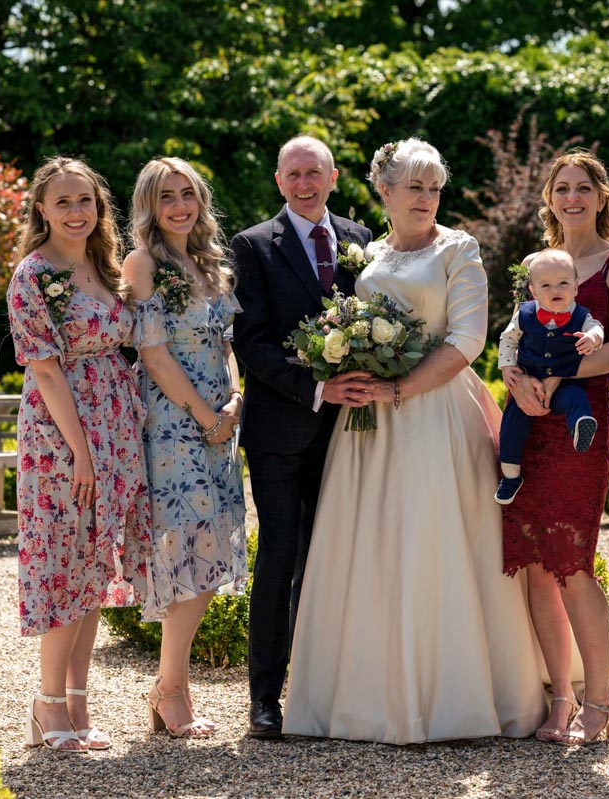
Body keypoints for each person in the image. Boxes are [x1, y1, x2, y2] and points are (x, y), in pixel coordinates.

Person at [282, 138, 547, 744]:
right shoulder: (368, 253)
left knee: (436, 541)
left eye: (434, 188)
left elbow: (468, 339)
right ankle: (361, 698)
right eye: (414, 187)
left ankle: (453, 696)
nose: (426, 198)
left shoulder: (460, 248)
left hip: (437, 414)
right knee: (368, 543)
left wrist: (399, 389)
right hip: (367, 427)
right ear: (385, 192)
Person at [501, 150, 609, 746]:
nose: (572, 197)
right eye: (562, 188)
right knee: (536, 563)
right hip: (528, 421)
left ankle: (599, 699)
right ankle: (559, 699)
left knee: (574, 563)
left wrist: (560, 380)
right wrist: (512, 377)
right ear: (550, 197)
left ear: (602, 195)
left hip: (579, 422)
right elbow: (514, 335)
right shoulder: (541, 263)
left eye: (583, 187)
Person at [230, 136, 373, 739]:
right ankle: (265, 697)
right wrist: (318, 388)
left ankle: (327, 691)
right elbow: (252, 342)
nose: (304, 182)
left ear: (334, 176)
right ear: (279, 180)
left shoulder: (363, 239)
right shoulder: (254, 246)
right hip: (282, 431)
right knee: (282, 556)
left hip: (356, 431)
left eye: (314, 172)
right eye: (294, 174)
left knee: (338, 557)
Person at [7, 157, 152, 752]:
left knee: (94, 568)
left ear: (99, 207)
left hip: (114, 425)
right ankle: (45, 707)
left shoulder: (105, 267)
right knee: (62, 559)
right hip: (59, 434)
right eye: (63, 202)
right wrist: (82, 454)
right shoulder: (33, 274)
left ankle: (76, 701)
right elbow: (44, 367)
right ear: (41, 209)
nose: (76, 212)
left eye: (85, 201)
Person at [123, 157, 245, 738]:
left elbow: (227, 345)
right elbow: (153, 353)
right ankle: (172, 687)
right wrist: (204, 416)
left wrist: (236, 400)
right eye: (166, 196)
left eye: (188, 194)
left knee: (211, 542)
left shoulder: (210, 263)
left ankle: (170, 685)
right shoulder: (142, 262)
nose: (179, 205)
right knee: (188, 543)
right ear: (149, 205)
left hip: (221, 424)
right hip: (174, 425)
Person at [495, 248, 605, 504]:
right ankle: (511, 475)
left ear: (576, 287)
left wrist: (592, 339)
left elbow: (596, 328)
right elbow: (508, 338)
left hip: (564, 383)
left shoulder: (581, 315)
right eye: (546, 285)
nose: (555, 290)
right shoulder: (524, 314)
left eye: (563, 283)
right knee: (512, 423)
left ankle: (581, 426)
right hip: (529, 383)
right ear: (533, 291)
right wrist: (507, 366)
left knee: (576, 398)